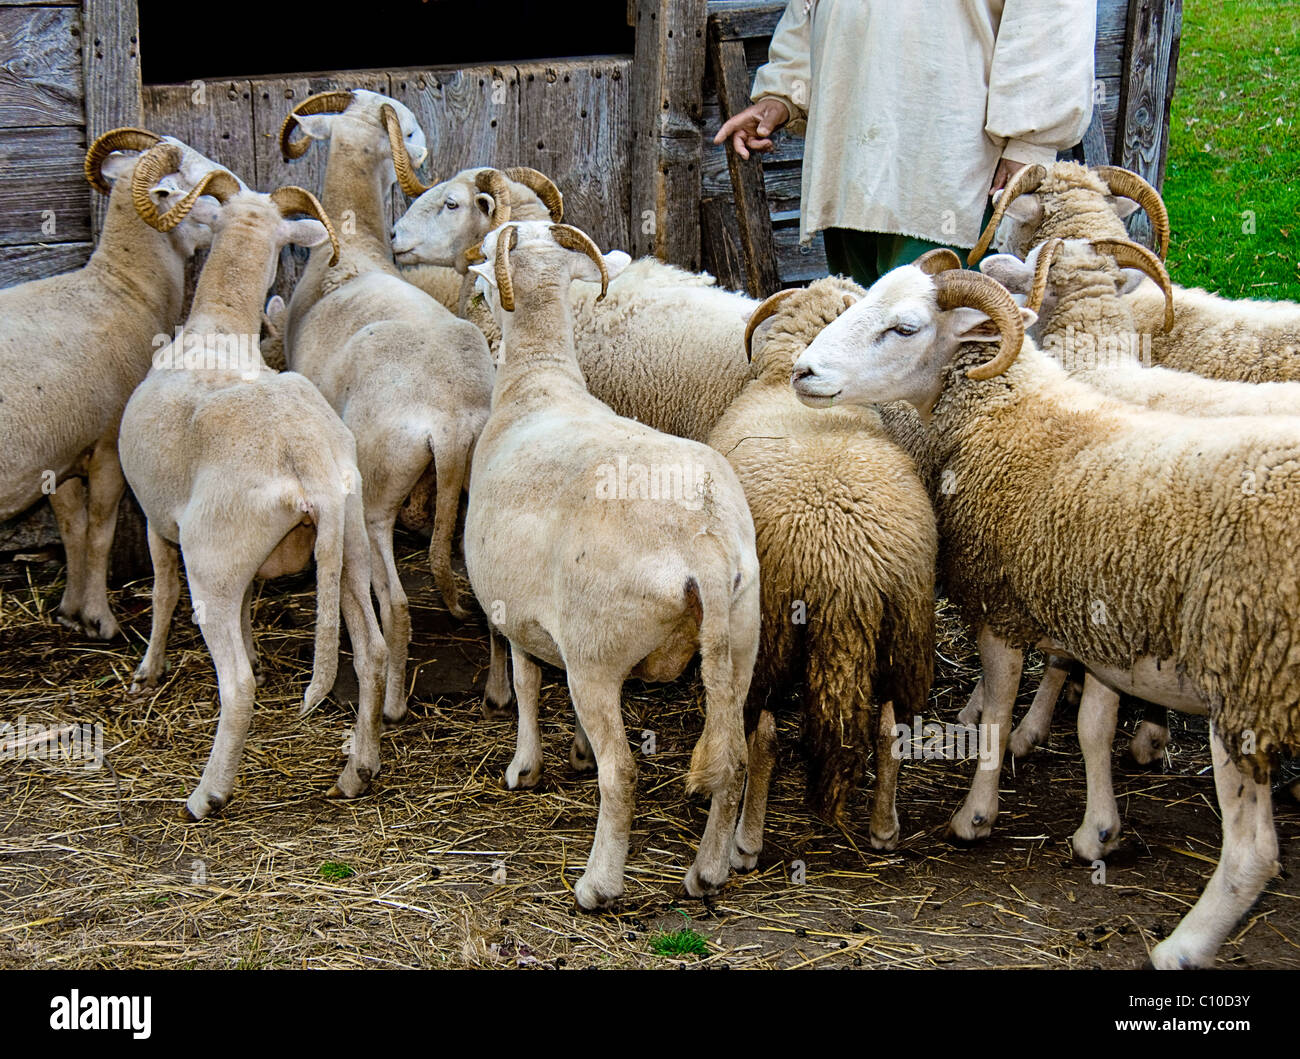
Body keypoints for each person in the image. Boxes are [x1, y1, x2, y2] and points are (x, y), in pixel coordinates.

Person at [714, 0, 1097, 285]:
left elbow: (1051, 15)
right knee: (860, 334)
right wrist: (782, 94)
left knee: (936, 330)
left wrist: (1030, 140)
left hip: (950, 157)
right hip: (848, 150)